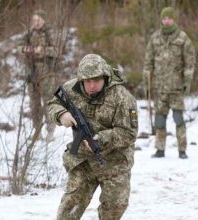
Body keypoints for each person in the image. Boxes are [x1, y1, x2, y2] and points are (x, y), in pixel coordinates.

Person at [48, 54, 138, 219]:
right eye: (87, 81)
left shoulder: (123, 98)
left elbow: (129, 133)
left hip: (114, 162)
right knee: (68, 212)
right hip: (83, 161)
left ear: (105, 76)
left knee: (113, 212)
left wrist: (102, 139)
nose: (91, 85)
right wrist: (61, 114)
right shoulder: (71, 88)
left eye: (96, 80)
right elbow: (53, 104)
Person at [142, 7, 196, 159]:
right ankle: (160, 149)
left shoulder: (182, 38)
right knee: (159, 120)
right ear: (161, 20)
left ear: (174, 19)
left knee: (178, 119)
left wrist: (187, 80)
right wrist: (147, 82)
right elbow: (148, 62)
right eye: (164, 18)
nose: (166, 21)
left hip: (177, 87)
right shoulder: (155, 38)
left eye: (169, 18)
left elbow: (190, 61)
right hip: (160, 88)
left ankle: (182, 150)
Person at [18, 9, 57, 141]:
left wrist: (43, 50)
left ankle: (50, 131)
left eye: (38, 20)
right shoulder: (29, 33)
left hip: (46, 73)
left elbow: (56, 50)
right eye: (34, 20)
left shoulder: (50, 33)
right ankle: (37, 131)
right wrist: (25, 49)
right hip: (31, 72)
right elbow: (18, 45)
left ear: (44, 20)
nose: (36, 23)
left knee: (48, 102)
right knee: (34, 103)